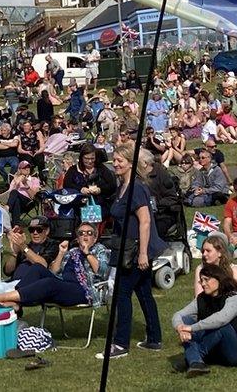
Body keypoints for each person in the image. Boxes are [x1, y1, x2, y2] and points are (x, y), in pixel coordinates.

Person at [98, 142, 166, 360]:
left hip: (136, 250)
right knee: (144, 292)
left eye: (120, 161)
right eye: (114, 160)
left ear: (130, 164)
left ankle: (120, 344)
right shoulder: (122, 186)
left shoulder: (136, 188)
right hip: (127, 248)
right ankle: (154, 338)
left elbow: (145, 221)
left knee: (121, 293)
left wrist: (143, 253)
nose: (115, 164)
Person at [0, 222, 110, 310]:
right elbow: (54, 271)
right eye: (81, 233)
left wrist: (87, 252)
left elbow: (102, 272)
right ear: (77, 238)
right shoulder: (72, 252)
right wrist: (61, 253)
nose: (85, 235)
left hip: (84, 290)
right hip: (64, 285)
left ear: (95, 237)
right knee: (38, 268)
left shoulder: (99, 250)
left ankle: (3, 297)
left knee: (50, 283)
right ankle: (17, 303)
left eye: (89, 233)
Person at [172, 264, 237, 377]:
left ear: (218, 279)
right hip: (215, 349)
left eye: (206, 280)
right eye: (201, 280)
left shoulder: (235, 296)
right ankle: (195, 361)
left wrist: (191, 328)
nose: (203, 284)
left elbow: (221, 319)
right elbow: (179, 315)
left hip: (236, 351)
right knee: (186, 319)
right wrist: (180, 328)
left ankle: (192, 358)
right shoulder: (202, 298)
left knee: (222, 326)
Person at [62, 143, 117, 221]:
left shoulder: (101, 168)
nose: (90, 161)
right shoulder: (73, 170)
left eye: (92, 158)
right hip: (78, 209)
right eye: (86, 158)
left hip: (100, 208)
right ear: (81, 158)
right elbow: (67, 185)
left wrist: (100, 189)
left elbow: (112, 185)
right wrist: (80, 189)